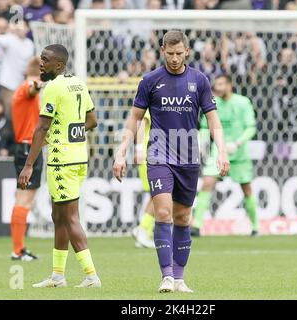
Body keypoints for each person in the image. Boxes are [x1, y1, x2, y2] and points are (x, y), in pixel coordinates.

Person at [113, 30, 229, 293]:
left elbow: (212, 118)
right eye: (170, 53)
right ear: (163, 50)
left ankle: (179, 278)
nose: (175, 58)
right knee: (163, 211)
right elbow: (134, 118)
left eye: (179, 53)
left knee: (183, 217)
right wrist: (122, 151)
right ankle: (166, 276)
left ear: (187, 51)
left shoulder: (199, 80)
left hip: (188, 157)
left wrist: (221, 151)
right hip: (159, 155)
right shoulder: (150, 80)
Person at [18, 44, 100, 288]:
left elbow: (42, 127)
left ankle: (91, 275)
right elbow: (92, 120)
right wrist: (72, 130)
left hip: (61, 159)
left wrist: (28, 165)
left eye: (45, 60)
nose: (41, 63)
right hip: (78, 157)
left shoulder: (53, 88)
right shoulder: (78, 83)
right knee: (58, 216)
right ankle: (57, 276)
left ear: (59, 65)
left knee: (70, 217)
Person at [192, 74, 258, 237]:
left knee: (247, 189)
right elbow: (205, 127)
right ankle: (196, 226)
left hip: (239, 152)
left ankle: (256, 226)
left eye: (221, 84)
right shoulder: (213, 103)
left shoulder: (243, 102)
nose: (218, 88)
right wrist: (201, 143)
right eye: (216, 85)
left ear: (229, 85)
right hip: (218, 151)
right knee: (207, 183)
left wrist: (238, 143)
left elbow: (251, 127)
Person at [9, 57, 43, 261]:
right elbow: (32, 88)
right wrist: (38, 85)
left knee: (23, 199)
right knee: (24, 199)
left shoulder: (22, 89)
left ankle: (19, 248)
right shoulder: (27, 87)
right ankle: (17, 250)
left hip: (26, 148)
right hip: (27, 149)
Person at [131, 110, 155, 249]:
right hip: (149, 155)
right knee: (160, 195)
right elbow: (140, 123)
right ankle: (142, 229)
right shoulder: (150, 99)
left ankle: (144, 231)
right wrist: (139, 149)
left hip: (155, 154)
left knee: (155, 195)